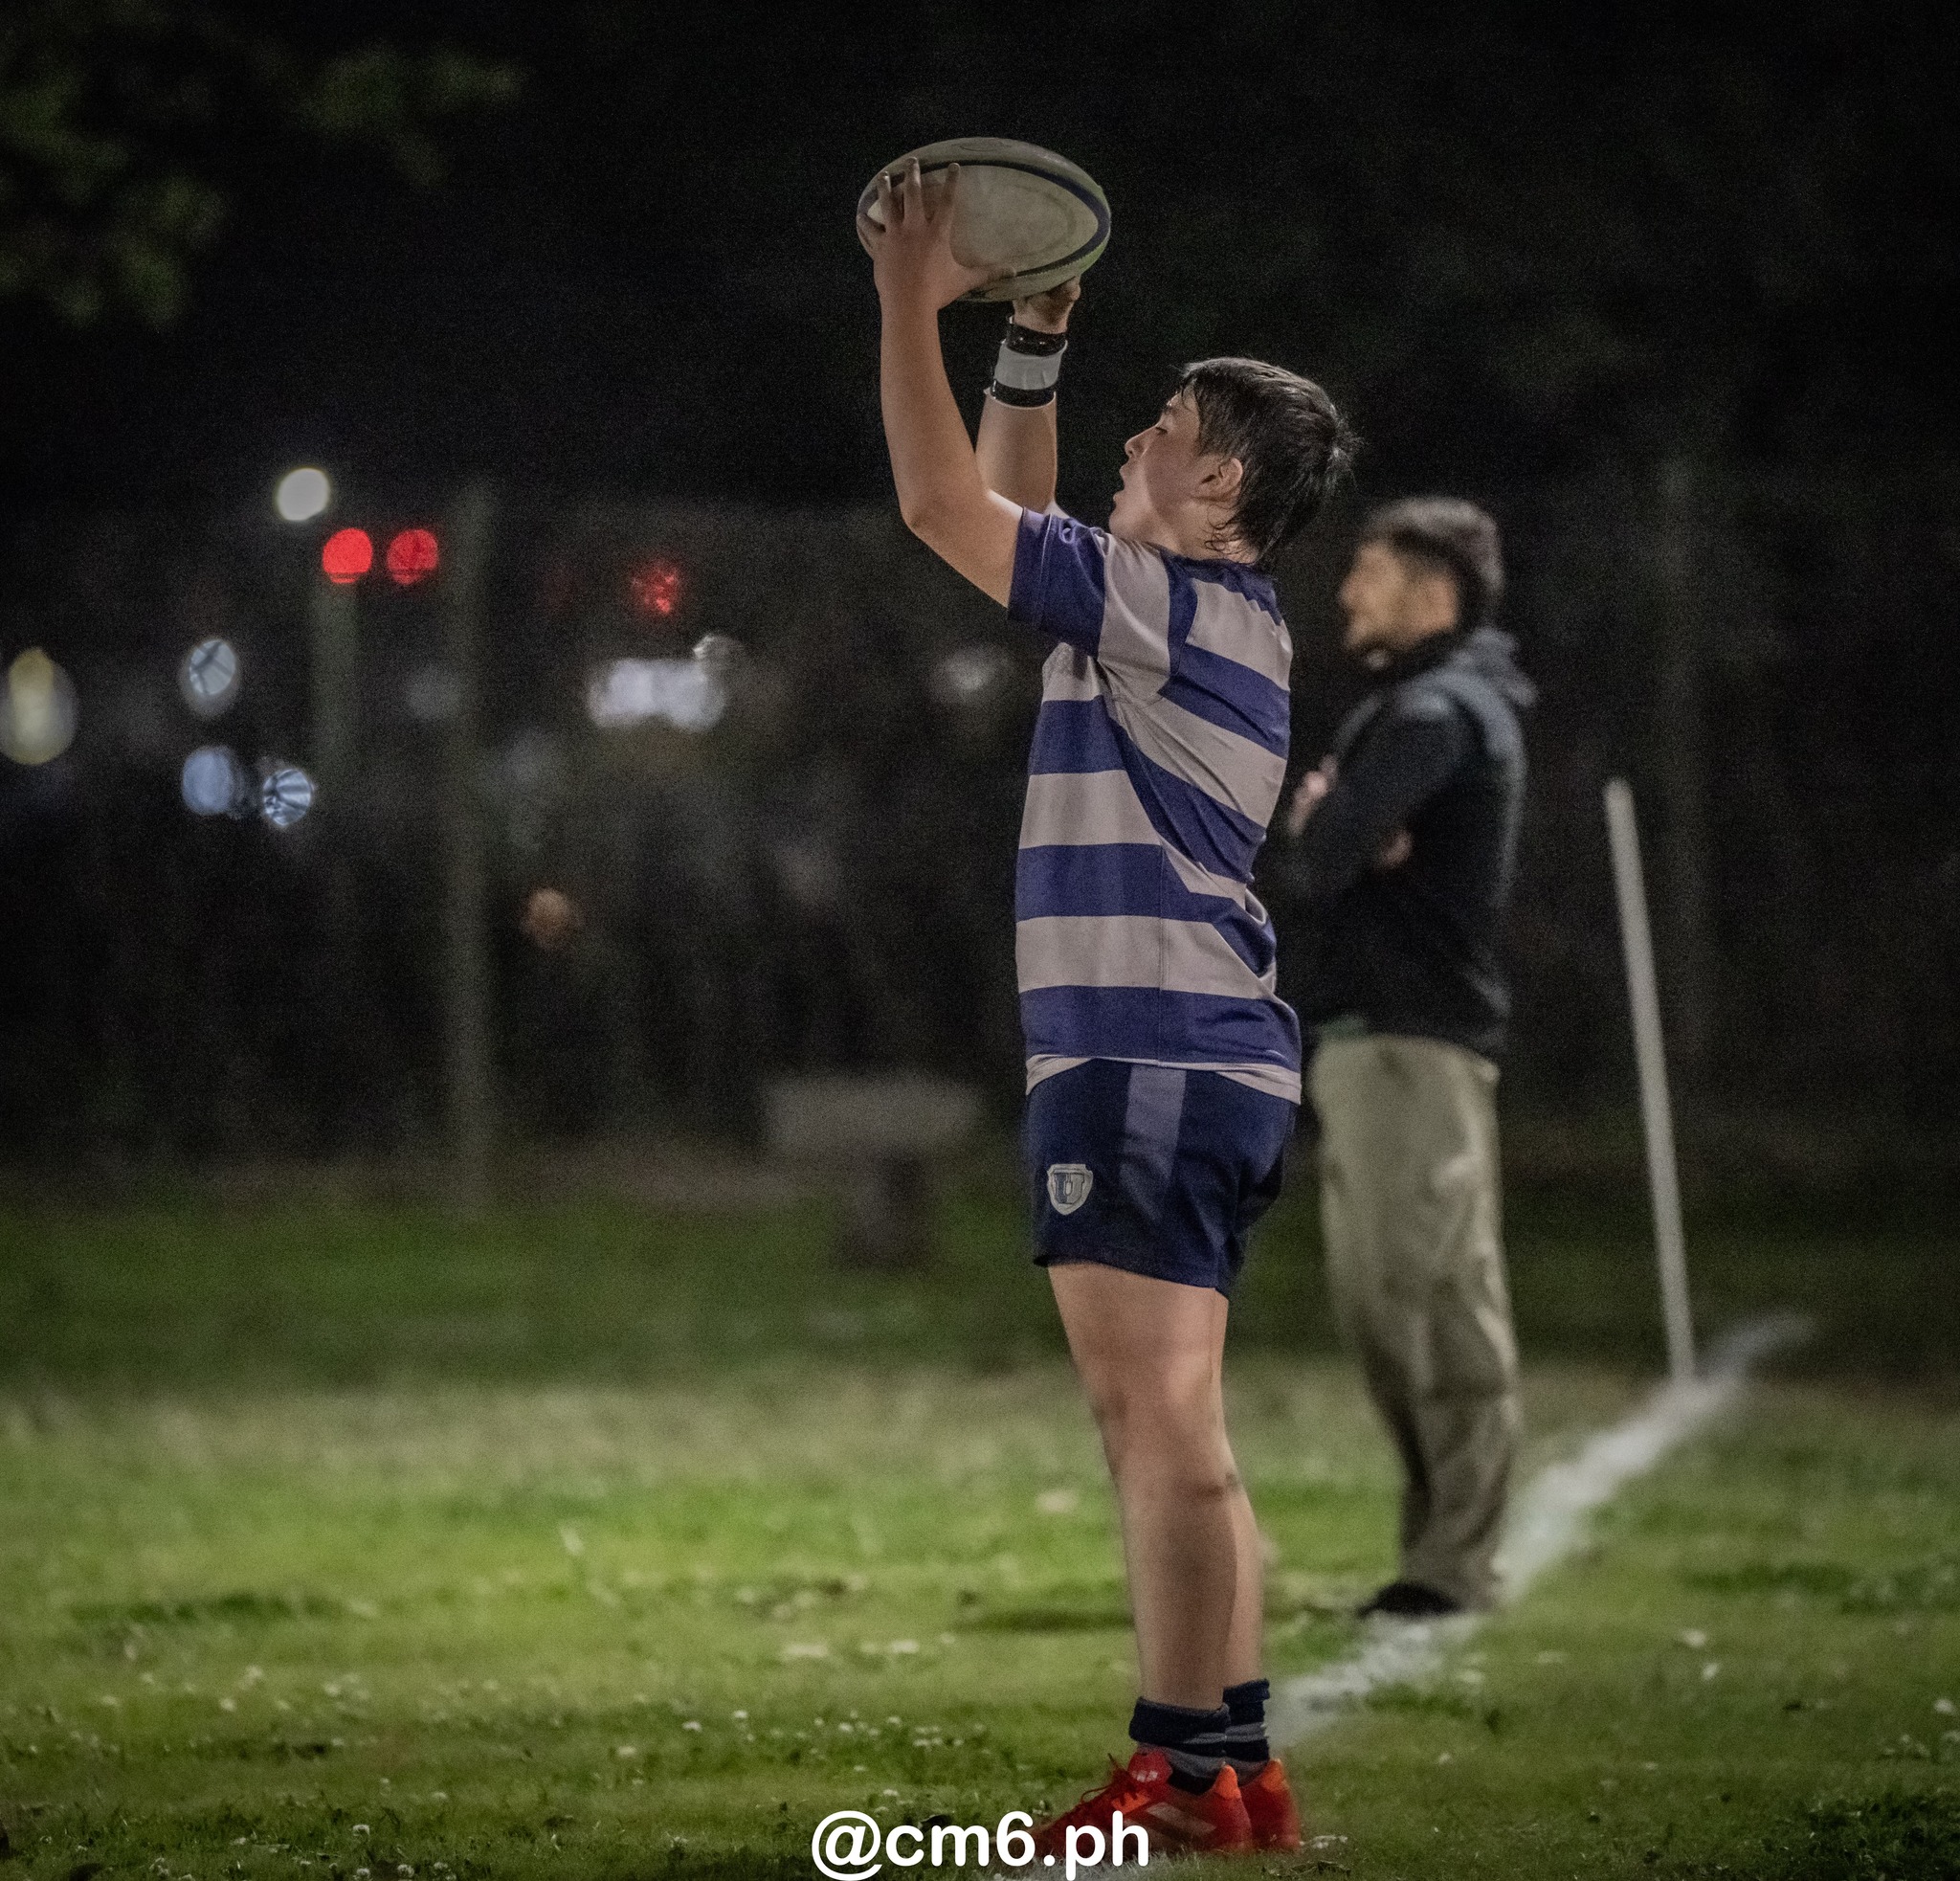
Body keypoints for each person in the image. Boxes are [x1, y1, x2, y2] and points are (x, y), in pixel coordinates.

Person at [858, 161, 1354, 1858]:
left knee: (1154, 1430)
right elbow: (1010, 517)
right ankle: (1235, 1763)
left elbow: (944, 516)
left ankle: (1173, 1771)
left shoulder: (1169, 608)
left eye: (1159, 423)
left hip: (1145, 1053)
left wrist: (905, 300)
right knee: (1176, 1430)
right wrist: (1032, 354)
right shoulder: (1178, 609)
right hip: (1180, 1051)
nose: (1135, 437)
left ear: (1215, 478)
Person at [1269, 498, 1533, 1619]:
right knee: (1386, 1303)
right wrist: (1337, 826)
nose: (1344, 595)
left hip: (1410, 1044)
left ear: (1432, 591)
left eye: (1366, 574)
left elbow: (1320, 856)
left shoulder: (1436, 713)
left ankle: (1452, 1562)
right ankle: (1434, 1550)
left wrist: (1330, 821)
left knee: (1428, 1298)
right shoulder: (1414, 710)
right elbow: (1334, 847)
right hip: (1368, 1043)